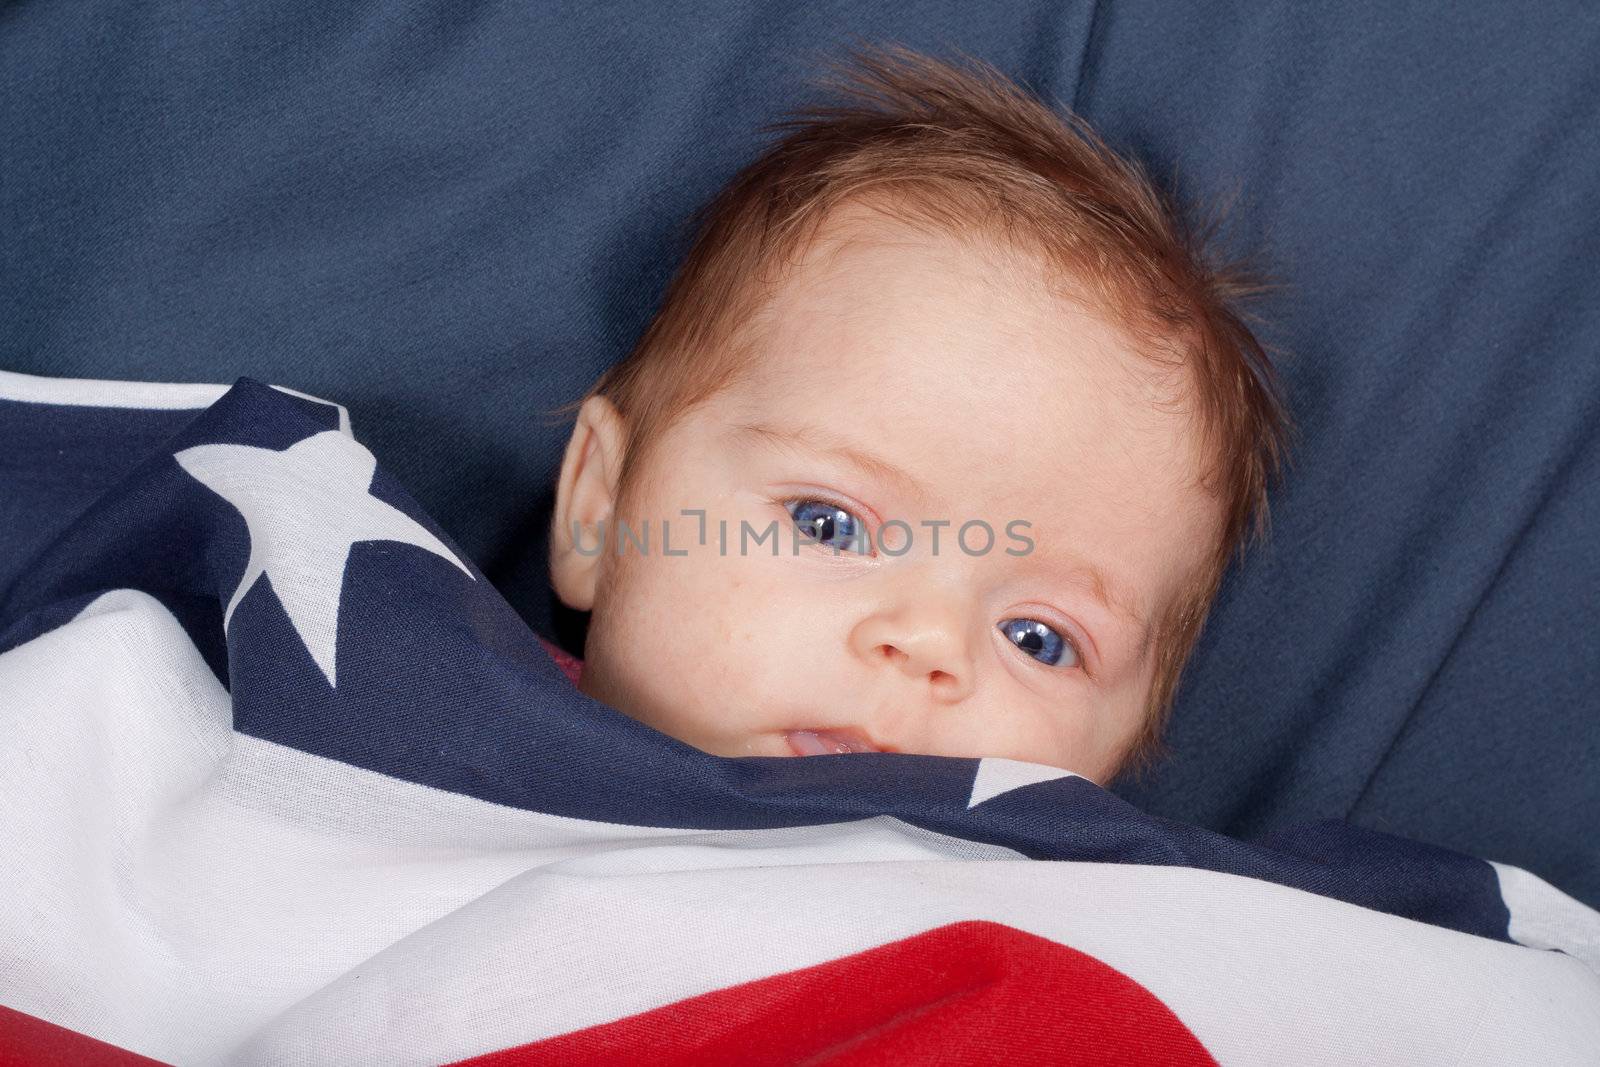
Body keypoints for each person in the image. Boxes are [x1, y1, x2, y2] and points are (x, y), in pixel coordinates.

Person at [544, 44, 1288, 784]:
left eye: (1039, 639)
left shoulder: (1084, 898)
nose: (931, 640)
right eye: (826, 523)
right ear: (600, 510)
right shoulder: (436, 698)